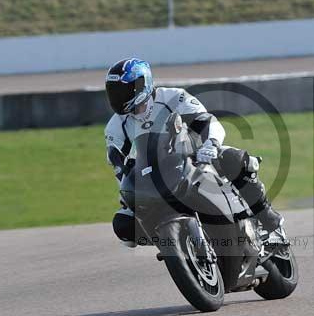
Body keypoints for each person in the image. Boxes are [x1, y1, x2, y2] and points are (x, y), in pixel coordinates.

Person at [103, 58, 285, 247]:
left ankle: (271, 224)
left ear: (143, 84)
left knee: (236, 159)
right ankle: (175, 246)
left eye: (124, 90)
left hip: (195, 159)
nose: (119, 97)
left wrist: (211, 145)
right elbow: (120, 167)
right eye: (114, 92)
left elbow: (207, 121)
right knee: (124, 225)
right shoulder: (115, 127)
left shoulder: (173, 97)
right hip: (155, 181)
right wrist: (127, 195)